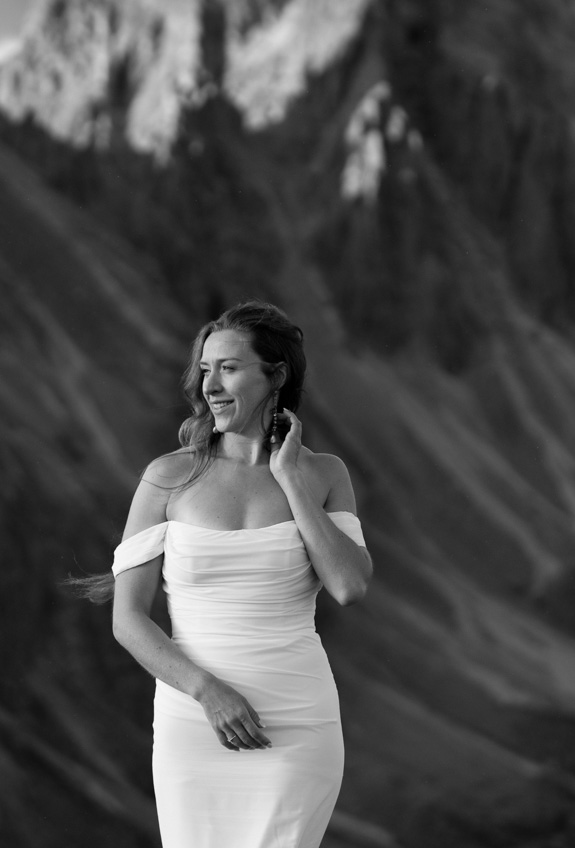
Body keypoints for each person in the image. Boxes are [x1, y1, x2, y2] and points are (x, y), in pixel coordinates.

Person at [103, 300, 373, 847]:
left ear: (277, 375)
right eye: (205, 369)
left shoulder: (323, 474)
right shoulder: (168, 477)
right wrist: (207, 692)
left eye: (228, 368)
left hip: (297, 721)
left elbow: (349, 586)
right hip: (192, 720)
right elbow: (127, 620)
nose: (210, 385)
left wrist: (289, 479)